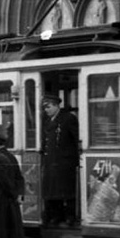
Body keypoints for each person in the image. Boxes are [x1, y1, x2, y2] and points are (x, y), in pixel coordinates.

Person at [40, 94, 80, 226]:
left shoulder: (68, 118)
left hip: (65, 163)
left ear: (57, 106)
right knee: (53, 191)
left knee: (67, 192)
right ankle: (56, 216)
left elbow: (75, 139)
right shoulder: (48, 121)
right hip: (51, 162)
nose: (46, 110)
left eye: (48, 107)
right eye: (45, 107)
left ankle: (70, 217)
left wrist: (73, 158)